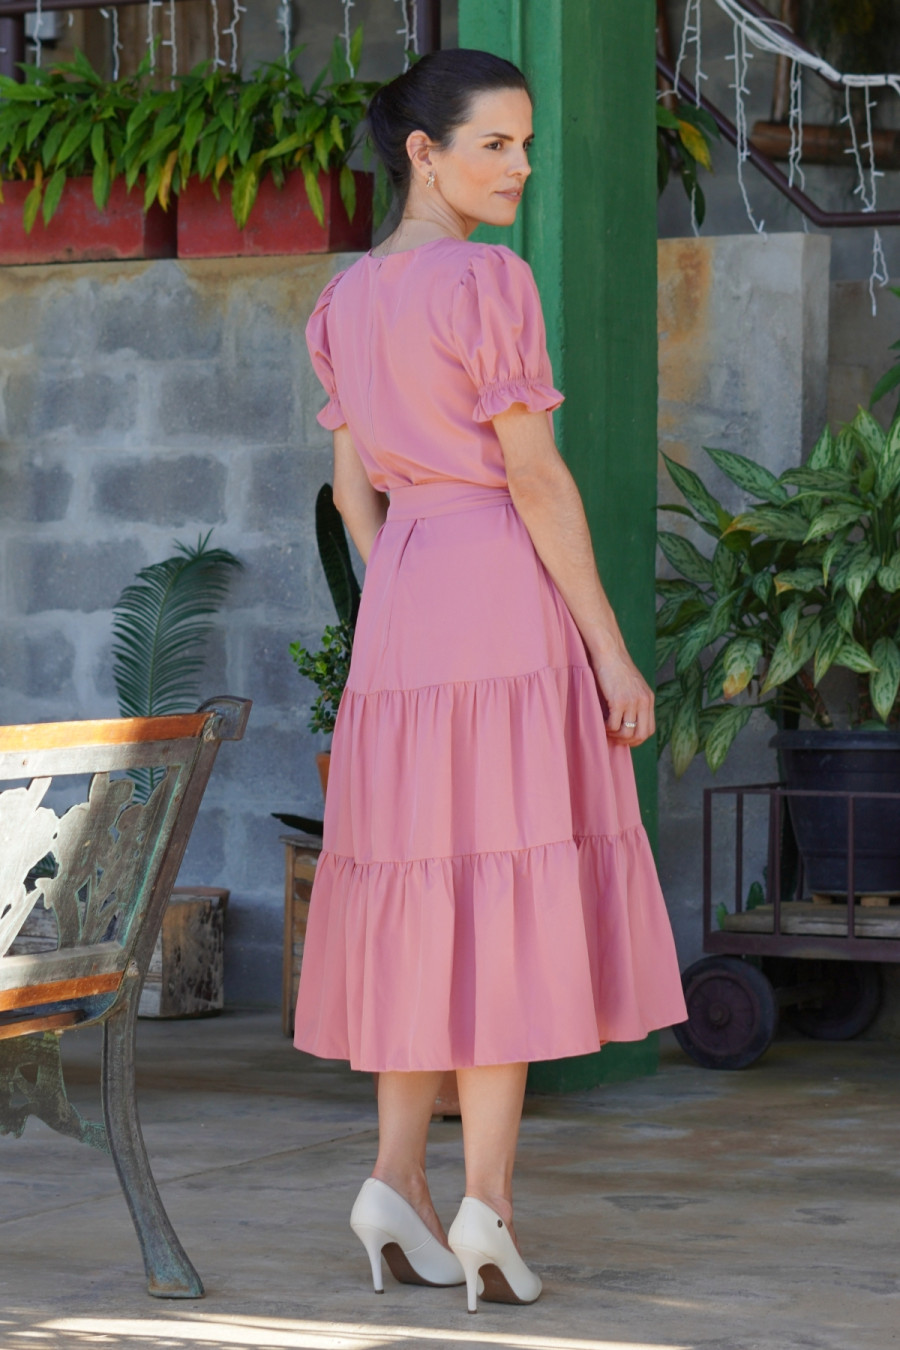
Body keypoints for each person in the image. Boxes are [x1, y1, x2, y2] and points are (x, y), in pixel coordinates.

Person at [293, 48, 687, 1314]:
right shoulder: (487, 280)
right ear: (424, 152)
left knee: (423, 893)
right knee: (503, 897)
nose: (520, 168)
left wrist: (407, 585)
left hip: (405, 612)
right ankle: (488, 1208)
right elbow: (534, 475)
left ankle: (392, 1180)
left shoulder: (345, 300)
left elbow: (353, 496)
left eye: (526, 145)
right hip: (502, 600)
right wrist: (609, 647)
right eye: (495, 146)